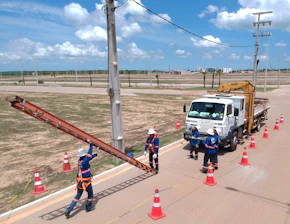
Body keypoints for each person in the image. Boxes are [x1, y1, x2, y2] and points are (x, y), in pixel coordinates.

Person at [65, 142, 99, 219]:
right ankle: (88, 208)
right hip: (86, 183)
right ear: (84, 155)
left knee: (77, 196)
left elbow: (89, 157)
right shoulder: (85, 161)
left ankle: (69, 209)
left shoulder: (80, 161)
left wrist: (96, 154)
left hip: (79, 183)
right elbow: (89, 156)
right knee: (90, 195)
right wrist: (91, 145)